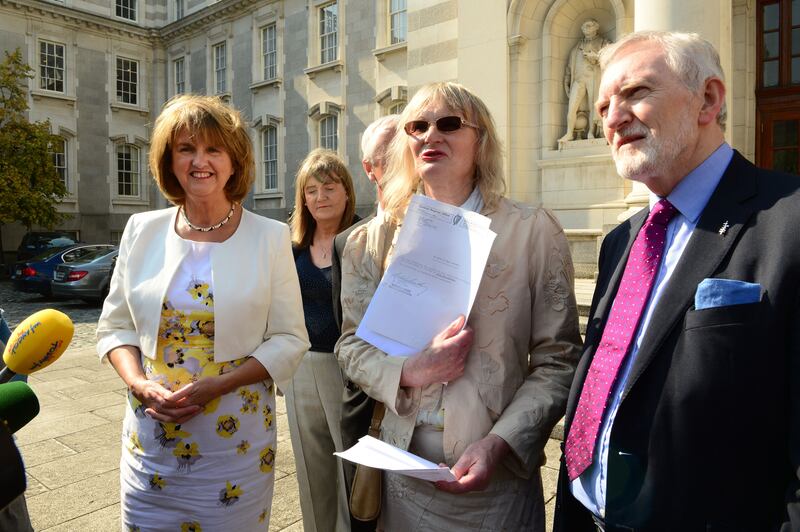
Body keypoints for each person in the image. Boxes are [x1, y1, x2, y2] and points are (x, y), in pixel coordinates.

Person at [554, 31, 800, 531]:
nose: (612, 118)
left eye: (635, 92)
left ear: (708, 99)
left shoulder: (789, 221)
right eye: (603, 106)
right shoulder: (621, 242)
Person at [336, 81, 582, 530]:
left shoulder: (533, 231)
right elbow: (351, 347)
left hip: (497, 483)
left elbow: (559, 360)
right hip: (403, 474)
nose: (431, 135)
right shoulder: (370, 240)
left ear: (481, 140)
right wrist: (411, 371)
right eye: (417, 126)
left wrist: (501, 443)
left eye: (448, 123)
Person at [96, 94, 309, 530]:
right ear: (169, 160)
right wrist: (138, 383)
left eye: (214, 149)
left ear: (235, 162)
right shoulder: (141, 230)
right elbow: (115, 326)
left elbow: (290, 338)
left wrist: (221, 384)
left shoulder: (270, 236)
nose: (200, 161)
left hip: (235, 443)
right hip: (152, 439)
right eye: (186, 148)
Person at [331, 114, 398, 532]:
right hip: (365, 413)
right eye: (387, 156)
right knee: (366, 519)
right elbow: (350, 336)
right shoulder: (349, 241)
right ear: (369, 169)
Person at [286, 148, 358, 532]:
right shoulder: (291, 246)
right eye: (311, 190)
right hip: (301, 368)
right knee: (311, 468)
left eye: (329, 187)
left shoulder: (365, 239)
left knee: (353, 468)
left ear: (346, 192)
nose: (320, 197)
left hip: (350, 370)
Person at [558, 19, 610, 144]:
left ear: (595, 27)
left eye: (588, 25)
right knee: (572, 108)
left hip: (593, 78)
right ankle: (569, 133)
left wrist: (596, 57)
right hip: (578, 80)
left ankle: (591, 133)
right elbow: (570, 67)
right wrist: (566, 81)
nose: (584, 28)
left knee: (594, 105)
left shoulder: (603, 42)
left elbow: (612, 57)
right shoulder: (577, 47)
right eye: (583, 26)